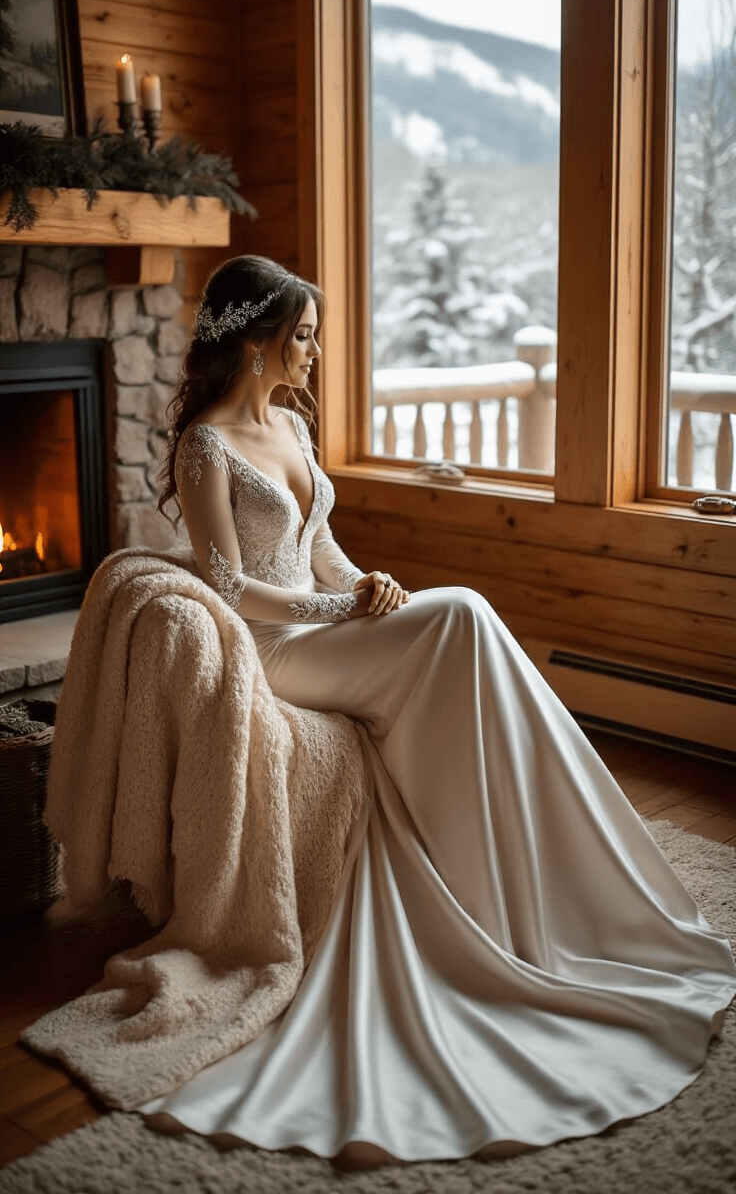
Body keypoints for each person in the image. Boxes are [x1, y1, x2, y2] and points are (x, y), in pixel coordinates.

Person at [143, 253, 735, 1166]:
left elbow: (321, 547)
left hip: (326, 625)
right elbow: (230, 587)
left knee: (458, 618)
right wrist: (344, 607)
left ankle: (514, 841)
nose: (314, 352)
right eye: (301, 337)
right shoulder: (205, 445)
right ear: (256, 342)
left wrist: (366, 583)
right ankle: (497, 842)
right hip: (274, 654)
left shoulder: (292, 429)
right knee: (460, 613)